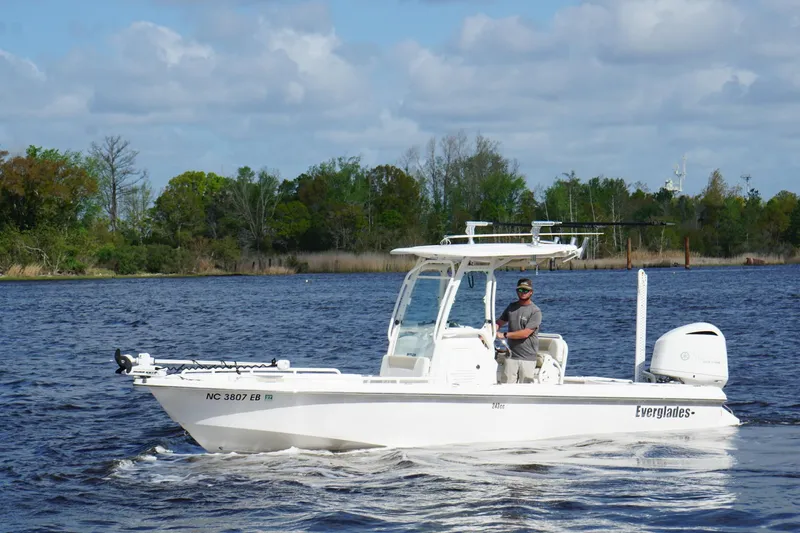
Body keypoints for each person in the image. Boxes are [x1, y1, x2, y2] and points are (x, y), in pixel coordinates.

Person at [495, 278, 542, 383]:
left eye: (526, 290)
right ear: (517, 291)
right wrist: (488, 331)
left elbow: (525, 333)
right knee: (506, 386)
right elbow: (499, 322)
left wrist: (504, 335)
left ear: (531, 292)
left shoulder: (535, 311)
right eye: (520, 290)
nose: (523, 293)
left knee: (526, 389)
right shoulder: (511, 307)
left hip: (527, 358)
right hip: (511, 356)